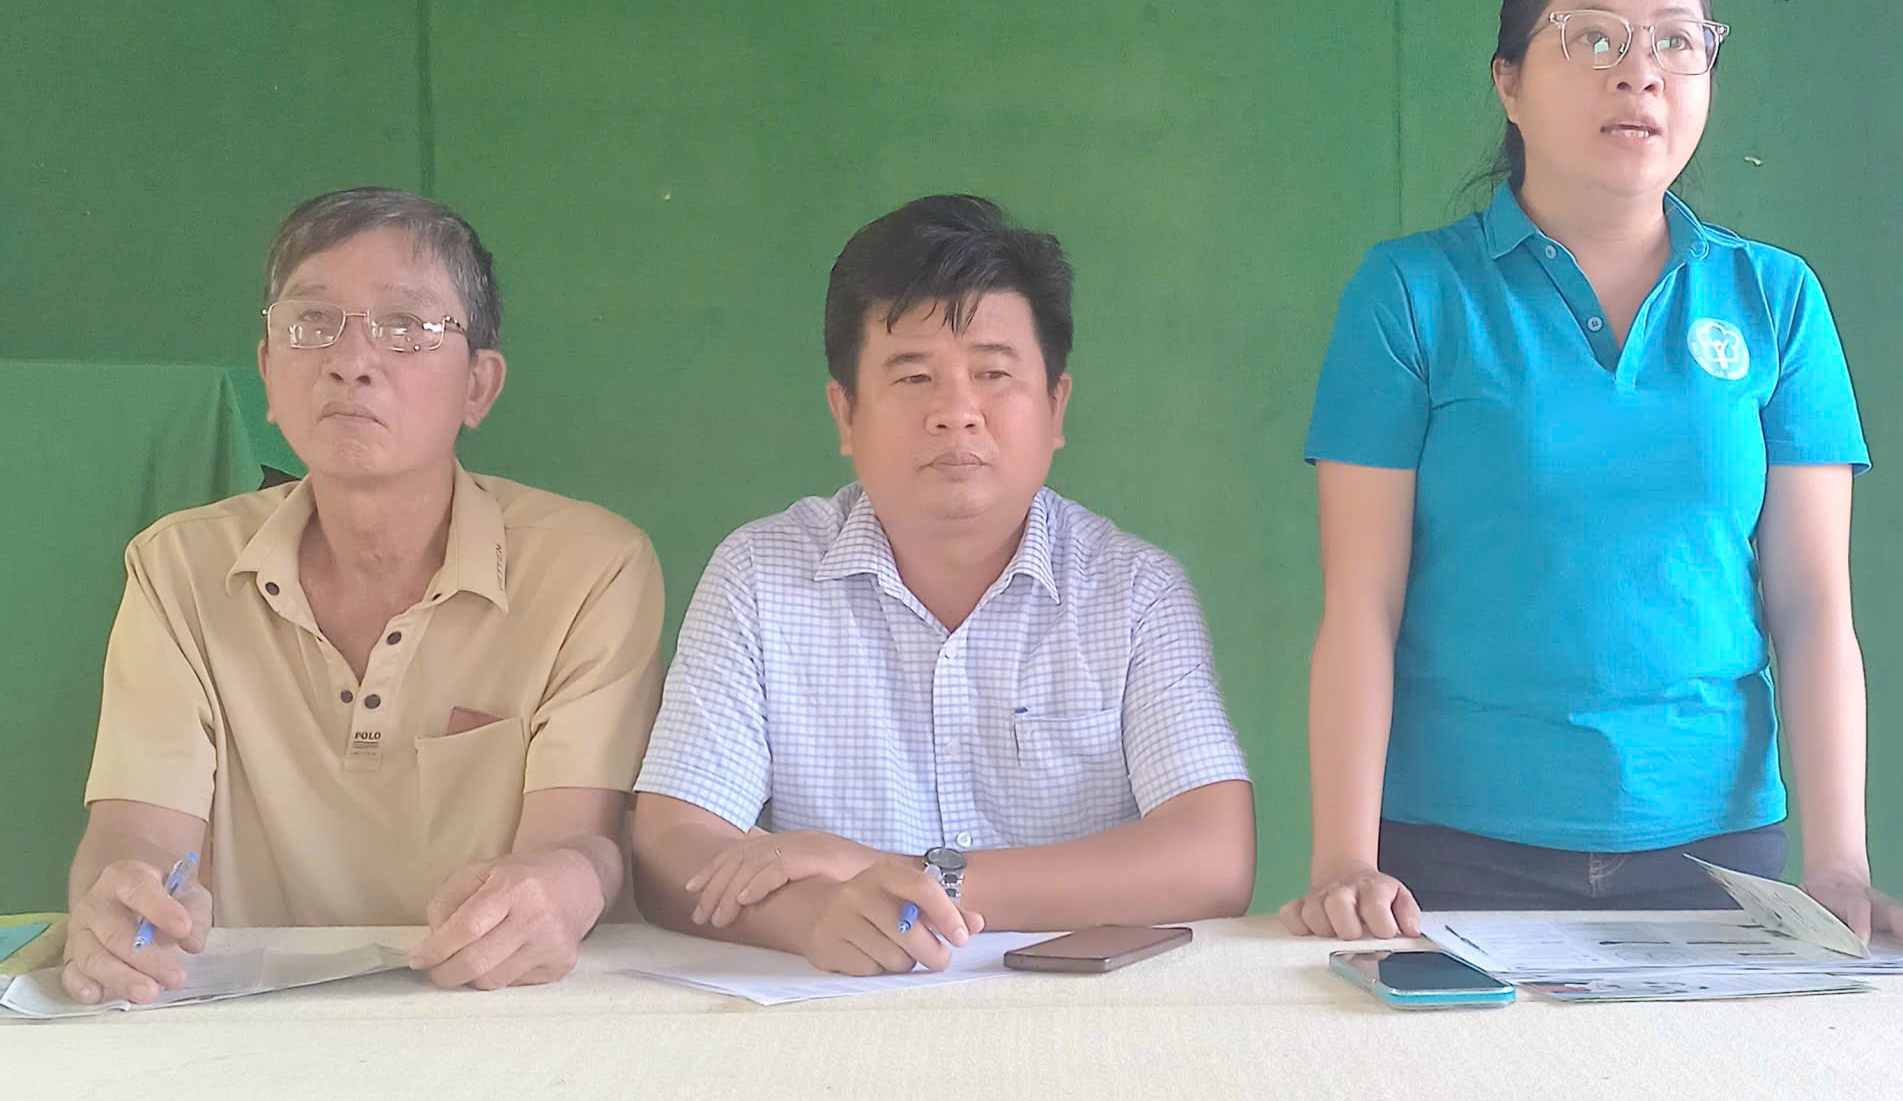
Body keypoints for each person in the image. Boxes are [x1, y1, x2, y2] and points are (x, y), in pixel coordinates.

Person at [1284, 0, 1903, 951]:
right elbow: (1362, 602)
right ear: (1508, 81)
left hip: (1719, 852)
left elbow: (1813, 606)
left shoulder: (1775, 299)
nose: (1640, 74)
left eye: (1677, 41)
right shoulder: (1411, 293)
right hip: (1454, 847)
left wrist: (1840, 865)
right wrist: (1342, 860)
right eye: (1593, 37)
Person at [66, 188, 666, 1004]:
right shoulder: (178, 569)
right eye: (312, 323)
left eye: (407, 326)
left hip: (502, 1008)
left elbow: (580, 839)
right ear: (267, 372)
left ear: (479, 386)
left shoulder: (592, 569)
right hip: (250, 1026)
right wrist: (121, 901)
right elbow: (135, 833)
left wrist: (561, 884)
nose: (351, 360)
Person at [630, 194, 1255, 976]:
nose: (956, 413)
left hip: (1079, 1019)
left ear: (1055, 406)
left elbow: (1214, 859)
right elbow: (671, 844)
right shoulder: (759, 578)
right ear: (845, 414)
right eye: (914, 376)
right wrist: (812, 915)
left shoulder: (1135, 592)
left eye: (993, 374)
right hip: (838, 1012)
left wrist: (900, 876)